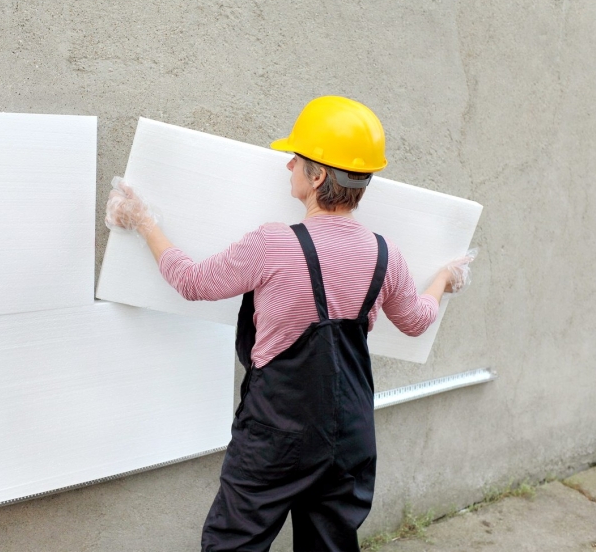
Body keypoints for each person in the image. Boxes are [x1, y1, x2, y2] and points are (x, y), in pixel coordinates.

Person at [105, 96, 475, 552]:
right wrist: (442, 279)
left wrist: (142, 221)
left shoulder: (273, 245)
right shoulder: (387, 255)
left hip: (277, 434)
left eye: (296, 159)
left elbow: (192, 282)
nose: (288, 166)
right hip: (350, 436)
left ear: (318, 176)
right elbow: (417, 320)